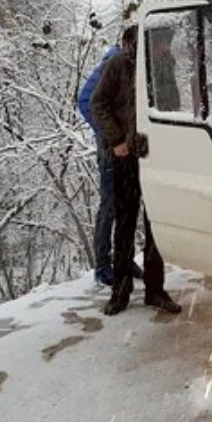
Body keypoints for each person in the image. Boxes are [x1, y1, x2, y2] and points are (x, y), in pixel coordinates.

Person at [90, 24, 183, 316]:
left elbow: (172, 104)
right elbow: (97, 104)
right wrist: (116, 139)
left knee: (156, 223)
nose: (166, 49)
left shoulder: (164, 67)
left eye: (167, 44)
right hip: (124, 158)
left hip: (155, 157)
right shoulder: (117, 65)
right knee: (125, 224)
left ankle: (155, 290)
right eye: (161, 44)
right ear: (140, 44)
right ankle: (121, 291)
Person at [78, 40, 143, 287]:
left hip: (129, 148)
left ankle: (124, 260)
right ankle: (103, 267)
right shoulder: (113, 62)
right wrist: (110, 137)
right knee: (110, 205)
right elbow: (86, 102)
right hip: (111, 149)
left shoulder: (137, 64)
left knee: (127, 206)